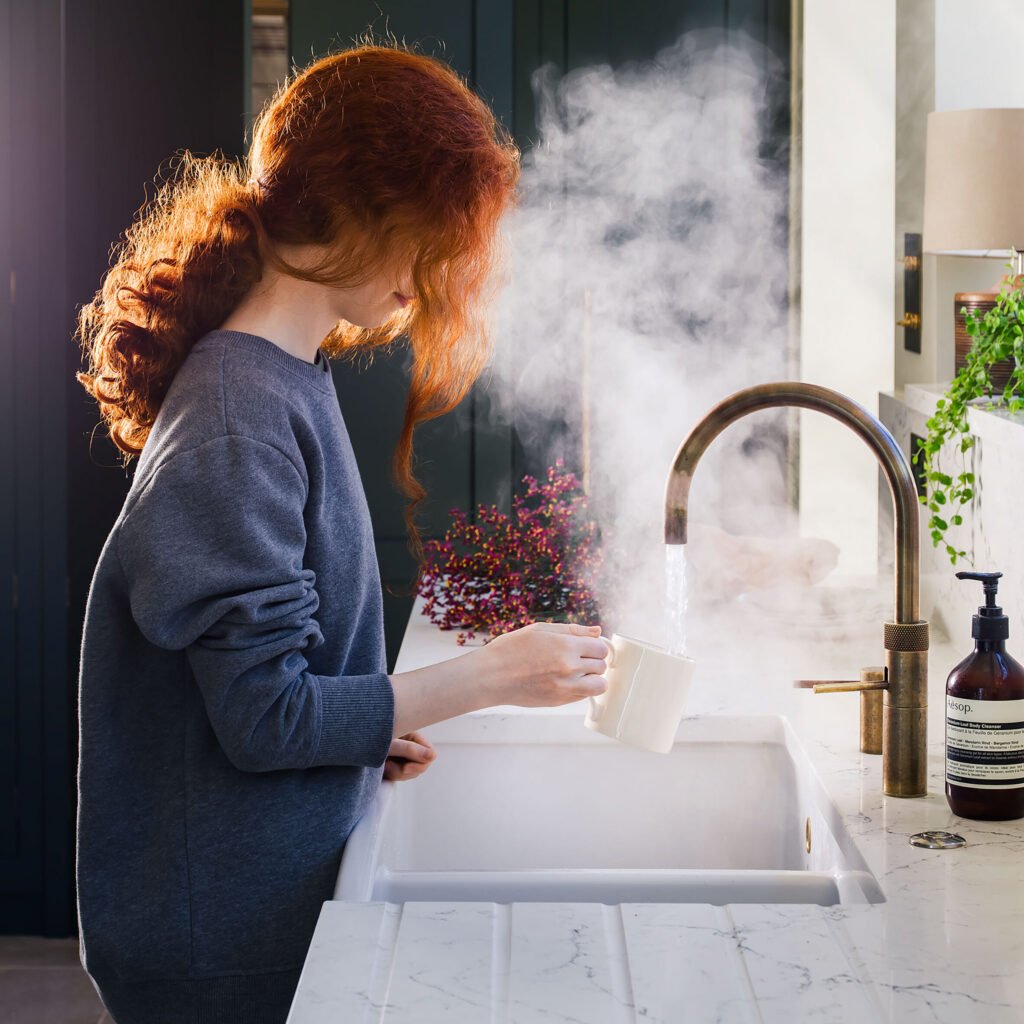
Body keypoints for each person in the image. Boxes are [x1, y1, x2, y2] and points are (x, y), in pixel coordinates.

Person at [74, 41, 609, 1024]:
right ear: (362, 211)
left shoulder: (285, 379)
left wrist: (362, 734)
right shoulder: (240, 415)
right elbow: (264, 719)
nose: (425, 282)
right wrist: (495, 673)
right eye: (423, 241)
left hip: (251, 903)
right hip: (217, 941)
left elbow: (272, 696)